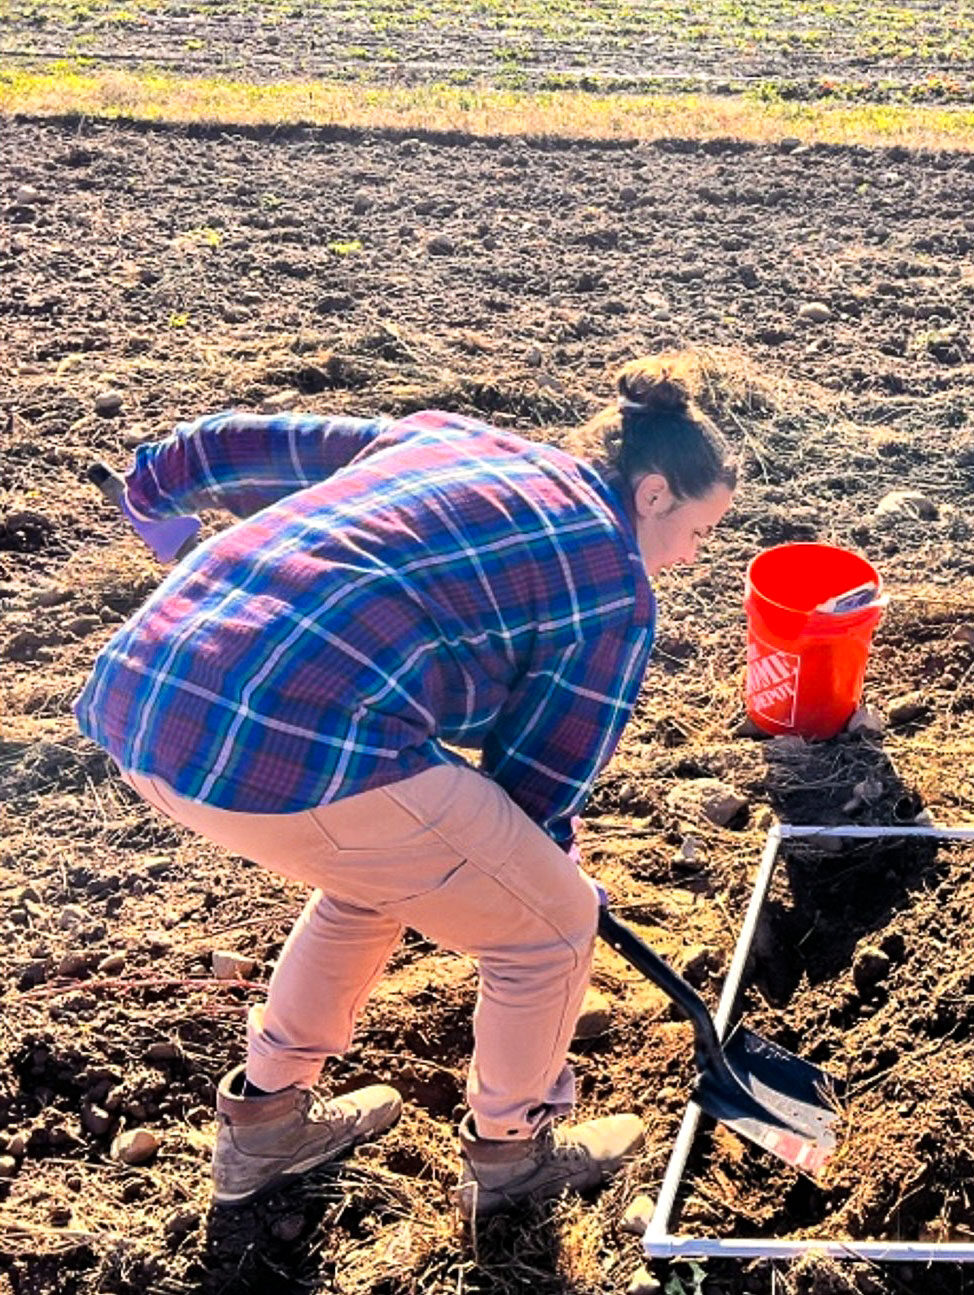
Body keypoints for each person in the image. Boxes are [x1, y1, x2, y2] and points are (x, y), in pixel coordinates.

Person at [74, 356, 737, 1217]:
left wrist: (155, 486)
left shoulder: (450, 439)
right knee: (550, 929)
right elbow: (536, 791)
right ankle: (513, 1153)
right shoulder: (614, 587)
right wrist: (549, 886)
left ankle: (266, 1123)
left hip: (146, 691)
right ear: (652, 495)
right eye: (700, 532)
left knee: (384, 869)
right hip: (285, 737)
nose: (692, 555)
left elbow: (239, 444)